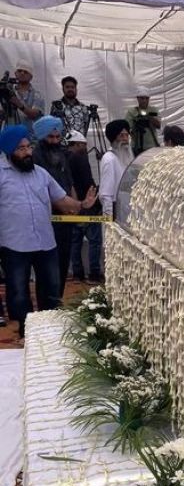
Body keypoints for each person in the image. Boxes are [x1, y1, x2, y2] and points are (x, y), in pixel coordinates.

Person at [0, 125, 96, 337]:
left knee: (51, 289)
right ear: (9, 151)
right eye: (21, 149)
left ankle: (49, 331)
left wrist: (82, 205)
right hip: (14, 244)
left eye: (28, 147)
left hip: (45, 242)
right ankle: (27, 332)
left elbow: (62, 200)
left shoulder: (41, 174)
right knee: (18, 292)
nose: (27, 152)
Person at [32, 115, 76, 297]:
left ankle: (57, 301)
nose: (55, 141)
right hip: (46, 220)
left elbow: (69, 182)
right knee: (47, 268)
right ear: (42, 137)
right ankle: (47, 306)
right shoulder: (35, 157)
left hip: (65, 218)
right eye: (51, 137)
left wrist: (74, 205)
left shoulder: (62, 154)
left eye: (58, 137)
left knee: (63, 262)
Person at [67, 131, 103, 282]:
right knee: (94, 241)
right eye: (83, 145)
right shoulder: (80, 158)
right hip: (86, 204)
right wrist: (95, 199)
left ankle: (77, 274)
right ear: (76, 144)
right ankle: (94, 274)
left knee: (75, 242)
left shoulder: (63, 158)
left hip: (70, 204)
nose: (85, 147)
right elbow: (88, 180)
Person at [99, 120, 133, 218]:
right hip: (115, 210)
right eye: (121, 135)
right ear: (114, 138)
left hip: (127, 208)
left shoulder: (126, 157)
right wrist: (108, 218)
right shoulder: (109, 159)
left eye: (127, 135)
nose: (125, 139)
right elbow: (105, 194)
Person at [0, 62, 44, 134]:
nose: (22, 73)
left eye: (26, 72)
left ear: (31, 77)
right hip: (10, 135)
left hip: (29, 138)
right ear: (15, 73)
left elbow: (34, 114)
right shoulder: (7, 91)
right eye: (19, 71)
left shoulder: (37, 95)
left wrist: (18, 103)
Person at [125, 87, 161, 156]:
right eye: (142, 98)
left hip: (152, 146)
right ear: (137, 99)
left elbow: (158, 125)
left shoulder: (153, 110)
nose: (144, 101)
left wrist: (149, 117)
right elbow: (126, 128)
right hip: (136, 146)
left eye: (146, 98)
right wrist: (133, 135)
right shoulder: (132, 111)